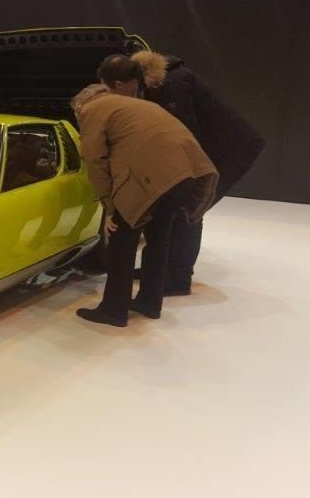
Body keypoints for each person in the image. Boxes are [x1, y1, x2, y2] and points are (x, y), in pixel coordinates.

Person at [98, 53, 266, 294]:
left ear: (120, 84)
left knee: (188, 211)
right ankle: (161, 270)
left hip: (225, 151)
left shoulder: (172, 86)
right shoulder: (155, 85)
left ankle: (178, 279)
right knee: (176, 208)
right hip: (209, 147)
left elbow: (186, 137)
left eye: (113, 92)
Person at [71, 84, 218, 328]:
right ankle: (149, 303)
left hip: (151, 180)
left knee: (121, 242)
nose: (78, 120)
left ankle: (113, 310)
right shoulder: (136, 105)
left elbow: (94, 159)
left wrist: (109, 207)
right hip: (186, 174)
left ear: (80, 105)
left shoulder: (93, 109)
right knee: (158, 239)